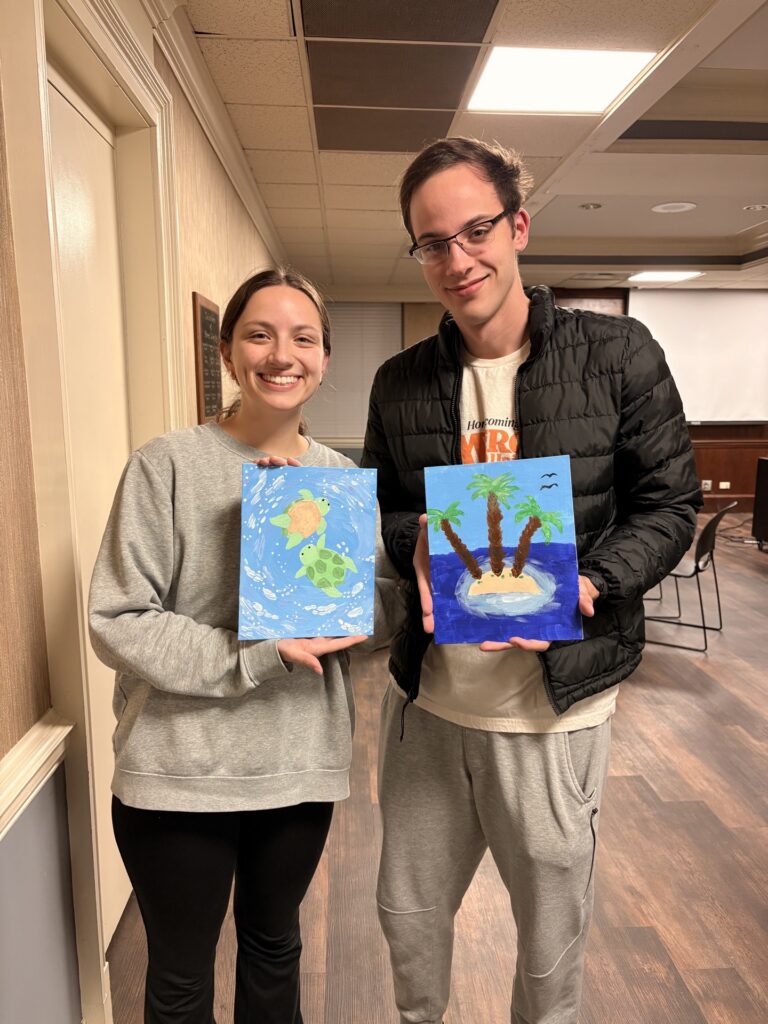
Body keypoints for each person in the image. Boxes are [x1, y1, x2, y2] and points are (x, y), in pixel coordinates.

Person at [362, 137, 702, 1024]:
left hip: (556, 710)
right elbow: (389, 510)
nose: (456, 258)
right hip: (430, 703)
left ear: (517, 225)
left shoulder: (619, 354)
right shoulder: (398, 384)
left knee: (551, 954)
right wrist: (416, 553)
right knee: (408, 923)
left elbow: (669, 507)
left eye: (474, 230)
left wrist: (590, 583)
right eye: (431, 242)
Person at [89, 267, 401, 1024]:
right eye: (259, 334)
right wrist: (258, 652)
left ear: (324, 358)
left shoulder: (339, 479)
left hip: (296, 767)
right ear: (228, 352)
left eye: (303, 338)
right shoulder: (166, 464)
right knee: (181, 978)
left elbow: (375, 614)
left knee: (275, 952)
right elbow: (119, 617)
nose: (281, 354)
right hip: (178, 770)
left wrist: (386, 581)